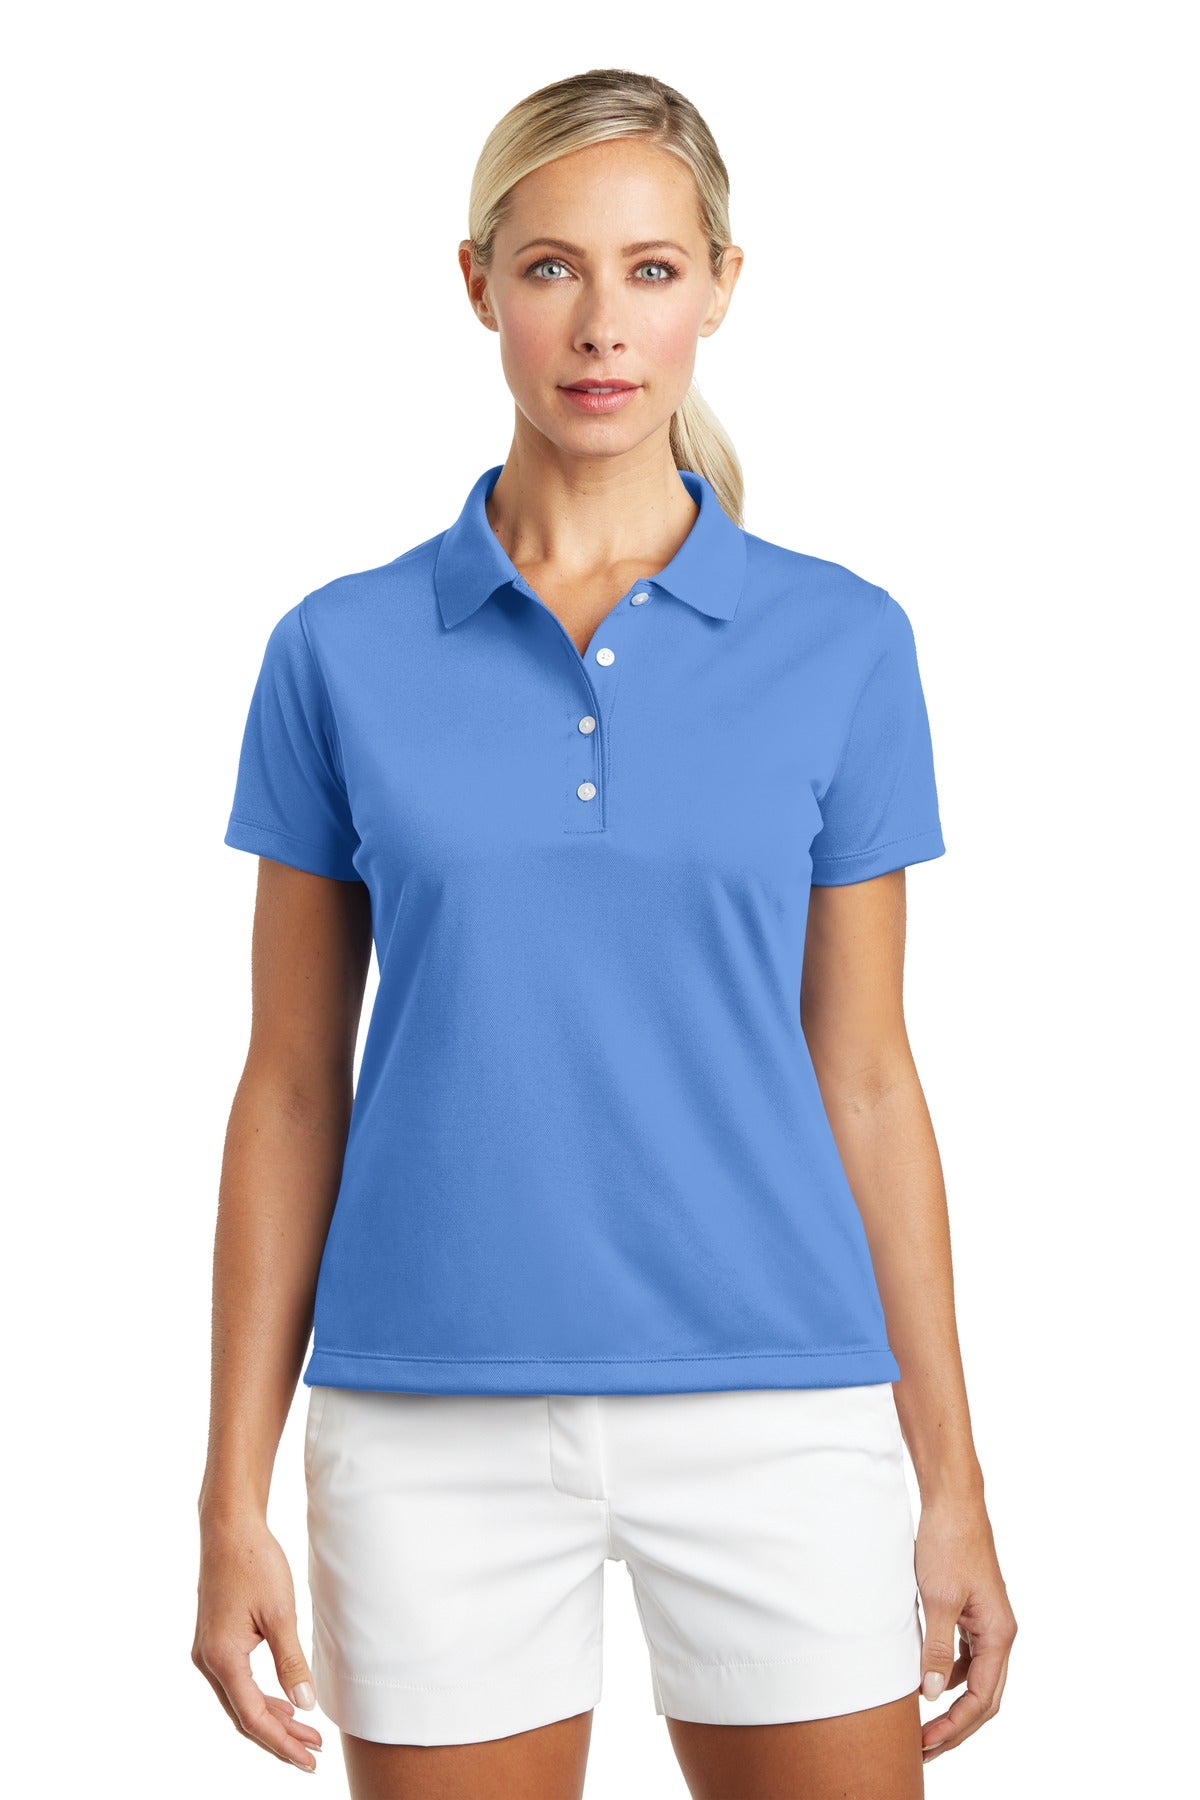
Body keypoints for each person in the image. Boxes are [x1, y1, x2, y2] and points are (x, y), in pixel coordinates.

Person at [193, 66, 1017, 1800]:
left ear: (722, 285)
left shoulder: (843, 642)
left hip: (778, 1405)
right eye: (553, 267)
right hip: (426, 1421)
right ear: (478, 282)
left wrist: (952, 1481)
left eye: (652, 269)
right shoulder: (338, 649)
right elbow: (290, 1087)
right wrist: (227, 1499)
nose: (601, 325)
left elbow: (869, 1075)